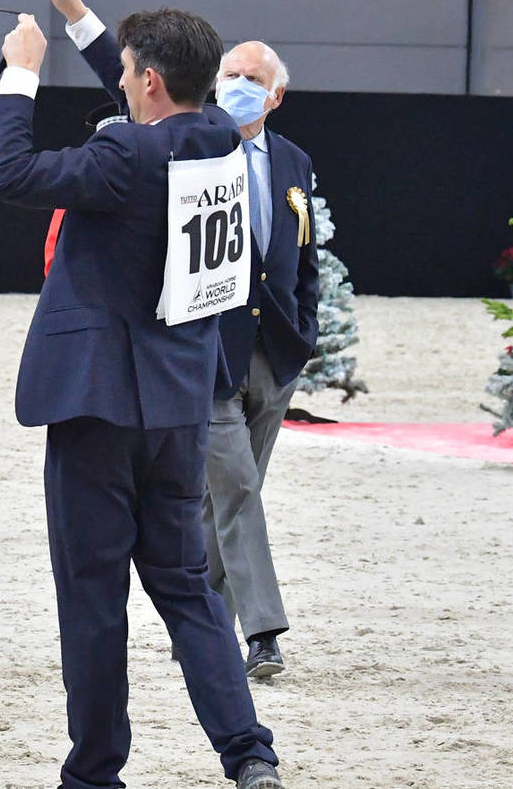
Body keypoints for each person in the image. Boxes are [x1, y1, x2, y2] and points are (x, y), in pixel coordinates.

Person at [0, 0, 284, 789]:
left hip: (99, 407)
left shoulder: (125, 158)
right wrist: (75, 11)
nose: (117, 82)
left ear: (148, 82)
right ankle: (248, 755)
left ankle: (94, 773)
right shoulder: (220, 135)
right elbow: (149, 97)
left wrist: (21, 75)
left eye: (124, 70)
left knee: (92, 596)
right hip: (179, 407)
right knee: (186, 589)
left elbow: (8, 174)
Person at [204, 41, 319, 679]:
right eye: (231, 75)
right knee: (239, 489)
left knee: (223, 496)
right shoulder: (188, 144)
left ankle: (199, 619)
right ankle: (263, 634)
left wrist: (303, 335)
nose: (240, 85)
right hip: (207, 353)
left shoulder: (295, 161)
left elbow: (306, 262)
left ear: (275, 96)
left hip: (274, 355)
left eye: (253, 79)